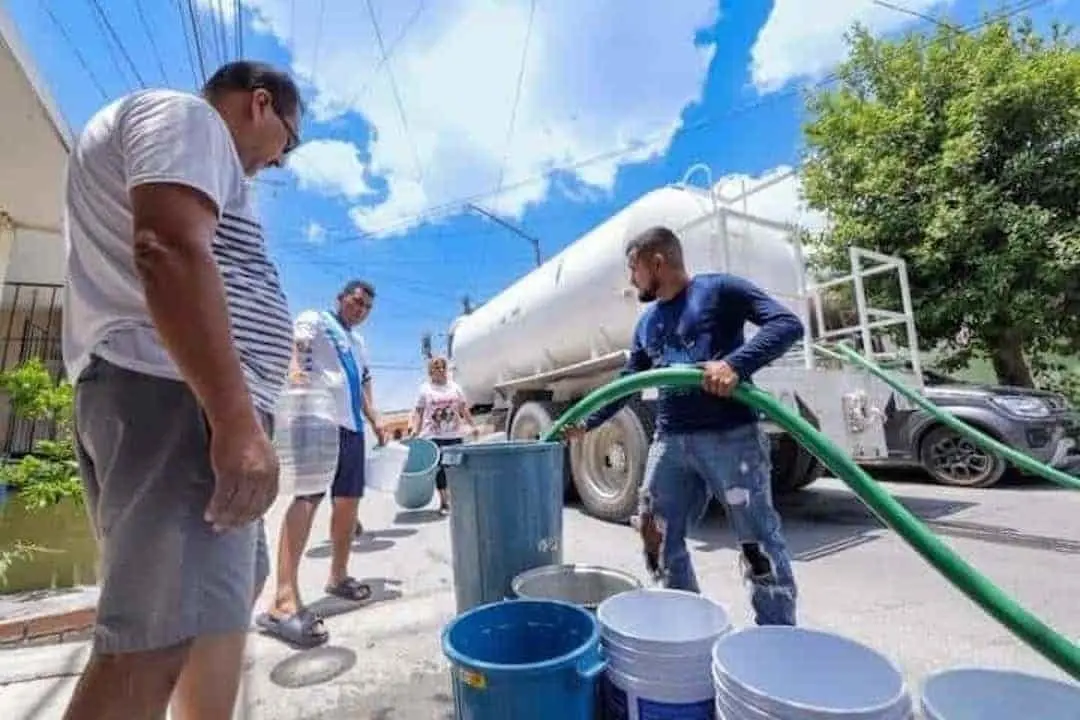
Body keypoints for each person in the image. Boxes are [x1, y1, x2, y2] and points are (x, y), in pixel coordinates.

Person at [60, 61, 302, 720]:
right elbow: (165, 246)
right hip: (178, 400)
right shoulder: (188, 118)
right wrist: (233, 418)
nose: (275, 164)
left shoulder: (193, 144)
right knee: (152, 643)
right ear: (261, 104)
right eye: (288, 142)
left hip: (190, 403)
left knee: (212, 622)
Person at [563, 226, 805, 627]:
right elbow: (628, 384)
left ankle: (777, 636)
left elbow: (786, 325)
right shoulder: (646, 323)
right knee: (654, 532)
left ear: (656, 262)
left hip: (732, 438)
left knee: (756, 541)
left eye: (633, 268)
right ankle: (684, 621)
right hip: (670, 442)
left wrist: (735, 365)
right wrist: (587, 423)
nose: (631, 279)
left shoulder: (720, 290)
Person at [257, 280, 387, 648]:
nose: (360, 310)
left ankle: (338, 576)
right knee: (307, 500)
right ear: (341, 298)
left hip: (352, 428)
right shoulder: (316, 319)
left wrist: (375, 419)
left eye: (367, 308)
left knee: (348, 503)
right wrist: (296, 371)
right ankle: (283, 599)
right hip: (317, 419)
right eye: (357, 302)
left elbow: (360, 384)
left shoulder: (358, 343)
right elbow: (297, 346)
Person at [408, 355, 478, 513]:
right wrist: (415, 429)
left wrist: (473, 425)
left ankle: (458, 499)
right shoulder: (425, 389)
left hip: (454, 434)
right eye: (436, 368)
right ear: (430, 372)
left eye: (442, 368)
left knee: (457, 467)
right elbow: (419, 411)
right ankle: (445, 502)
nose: (440, 371)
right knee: (440, 469)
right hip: (434, 436)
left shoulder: (455, 387)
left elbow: (462, 408)